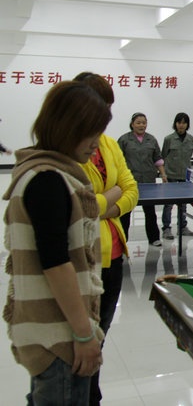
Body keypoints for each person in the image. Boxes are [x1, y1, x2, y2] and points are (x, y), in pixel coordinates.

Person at [3, 81, 109, 405]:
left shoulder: (44, 172)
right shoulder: (48, 180)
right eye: (91, 133)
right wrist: (83, 334)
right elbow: (56, 264)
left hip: (55, 331)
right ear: (68, 128)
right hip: (59, 338)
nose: (96, 143)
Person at [73, 72, 139, 406]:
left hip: (114, 253)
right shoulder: (67, 149)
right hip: (83, 258)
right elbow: (78, 205)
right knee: (80, 340)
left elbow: (132, 189)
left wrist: (105, 208)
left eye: (108, 108)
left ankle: (91, 395)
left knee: (100, 335)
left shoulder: (110, 144)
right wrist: (108, 198)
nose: (105, 116)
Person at [118, 112, 168, 245]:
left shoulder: (151, 139)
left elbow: (157, 159)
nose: (141, 125)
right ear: (132, 124)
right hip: (129, 182)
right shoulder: (124, 139)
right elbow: (117, 161)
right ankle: (122, 241)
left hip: (148, 181)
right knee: (125, 212)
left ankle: (154, 238)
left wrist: (163, 174)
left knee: (150, 211)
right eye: (138, 123)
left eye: (144, 123)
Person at [161, 112, 193, 240]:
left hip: (185, 176)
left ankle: (182, 227)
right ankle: (166, 228)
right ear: (175, 124)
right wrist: (163, 174)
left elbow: (189, 156)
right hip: (171, 175)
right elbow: (163, 155)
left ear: (187, 124)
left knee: (183, 204)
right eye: (179, 122)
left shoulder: (191, 139)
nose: (181, 125)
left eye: (184, 123)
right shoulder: (168, 139)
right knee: (168, 204)